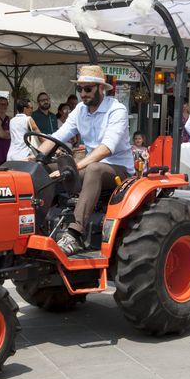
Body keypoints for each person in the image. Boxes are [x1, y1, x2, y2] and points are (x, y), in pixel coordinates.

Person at [38, 64, 134, 256]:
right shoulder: (80, 110)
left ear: (101, 88)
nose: (83, 93)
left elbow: (106, 148)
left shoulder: (116, 110)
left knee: (94, 169)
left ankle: (75, 233)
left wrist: (75, 167)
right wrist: (35, 158)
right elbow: (58, 137)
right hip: (91, 165)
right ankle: (39, 222)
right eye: (80, 89)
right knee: (43, 167)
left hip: (118, 170)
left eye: (88, 89)